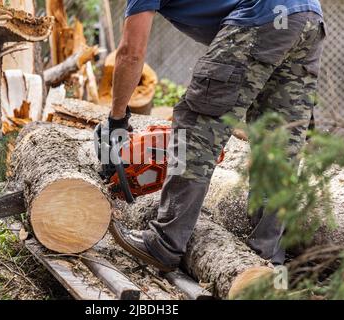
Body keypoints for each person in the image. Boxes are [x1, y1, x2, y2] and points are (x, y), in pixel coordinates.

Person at [99, 0, 326, 272]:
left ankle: (164, 241)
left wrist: (117, 118)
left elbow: (131, 54)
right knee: (279, 139)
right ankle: (266, 258)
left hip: (265, 14)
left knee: (196, 126)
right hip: (308, 16)